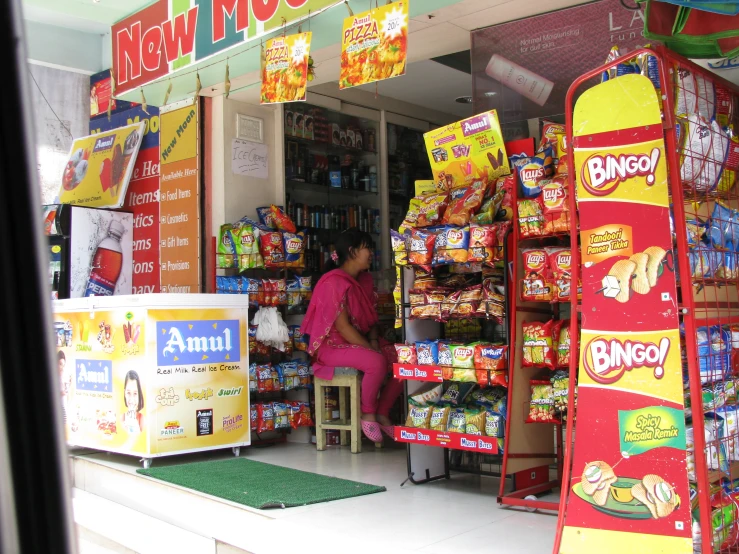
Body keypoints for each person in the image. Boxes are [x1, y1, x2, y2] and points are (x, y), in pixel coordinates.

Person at [300, 228, 402, 443]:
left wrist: (373, 341)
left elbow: (371, 319)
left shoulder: (364, 281)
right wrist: (370, 348)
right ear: (352, 251)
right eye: (367, 248)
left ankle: (383, 412)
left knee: (404, 360)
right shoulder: (332, 282)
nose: (371, 253)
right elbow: (343, 327)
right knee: (376, 361)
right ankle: (368, 413)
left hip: (359, 341)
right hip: (332, 346)